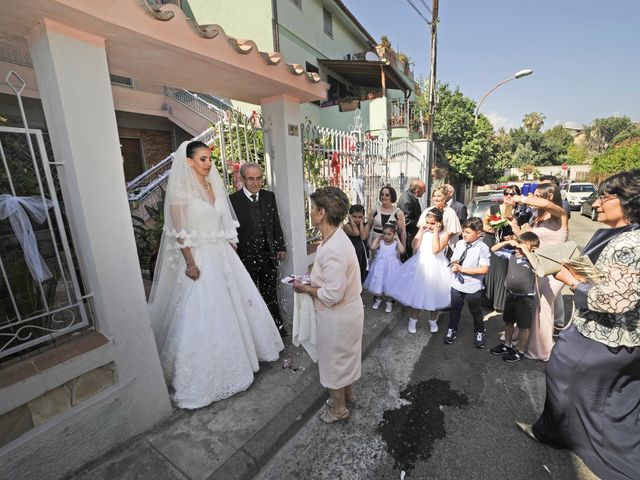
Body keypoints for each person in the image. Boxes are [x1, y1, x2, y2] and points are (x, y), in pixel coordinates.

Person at [520, 170, 640, 480]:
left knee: (572, 376)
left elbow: (616, 300)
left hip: (610, 335)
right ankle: (554, 431)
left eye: (605, 197)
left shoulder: (630, 243)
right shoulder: (618, 234)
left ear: (627, 202)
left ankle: (615, 461)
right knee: (587, 386)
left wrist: (573, 281)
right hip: (603, 331)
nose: (596, 203)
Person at [149, 141, 284, 409]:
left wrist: (230, 244)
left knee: (238, 305)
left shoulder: (213, 186)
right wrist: (189, 263)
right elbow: (180, 234)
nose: (208, 163)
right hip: (199, 258)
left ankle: (247, 356)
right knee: (205, 312)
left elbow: (225, 222)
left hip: (223, 255)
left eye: (210, 158)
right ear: (188, 162)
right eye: (202, 159)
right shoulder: (179, 193)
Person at [293, 187, 364, 424]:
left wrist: (307, 289)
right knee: (347, 357)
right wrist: (312, 279)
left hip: (338, 316)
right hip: (349, 312)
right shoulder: (337, 236)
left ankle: (339, 408)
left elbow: (333, 294)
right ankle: (349, 394)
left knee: (334, 363)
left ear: (321, 213)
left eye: (312, 208)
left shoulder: (333, 247)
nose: (310, 212)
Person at [229, 162, 288, 337]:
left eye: (259, 178)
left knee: (270, 293)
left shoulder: (269, 197)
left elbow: (275, 223)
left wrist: (280, 246)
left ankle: (277, 326)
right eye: (251, 179)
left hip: (268, 254)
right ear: (242, 179)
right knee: (249, 296)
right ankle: (256, 332)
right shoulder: (232, 200)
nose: (255, 183)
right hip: (244, 257)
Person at [514, 183, 568, 361]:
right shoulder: (538, 216)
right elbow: (525, 236)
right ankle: (526, 340)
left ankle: (542, 349)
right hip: (537, 265)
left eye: (537, 195)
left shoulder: (559, 213)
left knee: (544, 306)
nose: (533, 199)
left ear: (550, 195)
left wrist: (521, 198)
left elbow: (546, 205)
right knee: (535, 304)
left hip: (554, 267)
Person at [388, 208, 450, 334]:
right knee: (417, 293)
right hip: (420, 265)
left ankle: (433, 320)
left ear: (439, 223)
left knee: (434, 294)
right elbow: (414, 246)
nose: (430, 226)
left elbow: (435, 249)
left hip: (436, 267)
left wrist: (436, 232)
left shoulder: (445, 234)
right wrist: (421, 231)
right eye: (428, 222)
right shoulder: (425, 231)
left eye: (433, 223)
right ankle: (413, 320)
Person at [489, 232, 540, 362]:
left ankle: (520, 350)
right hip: (511, 295)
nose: (518, 250)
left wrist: (527, 252)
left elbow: (539, 268)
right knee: (508, 321)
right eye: (517, 247)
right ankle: (507, 344)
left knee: (524, 326)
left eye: (521, 248)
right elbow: (493, 249)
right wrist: (507, 243)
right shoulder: (511, 255)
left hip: (525, 298)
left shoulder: (533, 260)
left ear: (532, 249)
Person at [443, 217, 491, 347]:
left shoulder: (483, 248)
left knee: (475, 310)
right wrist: (454, 264)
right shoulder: (460, 244)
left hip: (473, 286)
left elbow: (484, 269)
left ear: (479, 233)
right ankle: (451, 329)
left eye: (468, 232)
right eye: (463, 231)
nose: (464, 234)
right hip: (457, 284)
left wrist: (463, 269)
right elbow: (454, 258)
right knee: (455, 309)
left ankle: (479, 331)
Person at [482, 185, 527, 312]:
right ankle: (487, 301)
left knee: (503, 272)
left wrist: (513, 234)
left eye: (512, 194)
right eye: (506, 193)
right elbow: (483, 225)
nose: (508, 196)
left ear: (517, 196)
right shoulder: (493, 209)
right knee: (489, 271)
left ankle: (500, 303)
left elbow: (525, 233)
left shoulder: (521, 212)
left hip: (508, 246)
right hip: (491, 241)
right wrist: (494, 228)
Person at [364, 223, 405, 313]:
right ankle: (378, 299)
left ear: (394, 234)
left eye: (389, 234)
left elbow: (402, 251)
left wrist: (398, 239)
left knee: (389, 284)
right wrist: (378, 238)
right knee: (378, 282)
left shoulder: (395, 243)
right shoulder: (381, 242)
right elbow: (372, 247)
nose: (386, 236)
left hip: (392, 267)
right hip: (380, 266)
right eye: (384, 233)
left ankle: (389, 302)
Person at [417, 185, 462, 254]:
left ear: (445, 197)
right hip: (427, 245)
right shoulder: (428, 210)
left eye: (439, 196)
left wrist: (441, 241)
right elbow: (421, 227)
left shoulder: (450, 212)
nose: (436, 199)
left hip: (444, 246)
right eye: (434, 196)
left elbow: (452, 232)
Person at [366, 185, 407, 251]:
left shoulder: (398, 213)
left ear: (392, 197)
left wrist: (403, 247)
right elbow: (368, 227)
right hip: (375, 242)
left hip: (392, 244)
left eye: (387, 195)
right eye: (382, 194)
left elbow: (402, 231)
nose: (384, 197)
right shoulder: (374, 211)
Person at [397, 179, 426, 258]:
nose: (424, 193)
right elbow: (406, 221)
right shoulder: (407, 200)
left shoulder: (410, 196)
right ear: (417, 190)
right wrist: (422, 223)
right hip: (408, 236)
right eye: (423, 191)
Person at [344, 204, 369, 283]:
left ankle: (359, 290)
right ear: (350, 216)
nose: (357, 219)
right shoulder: (347, 226)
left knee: (362, 274)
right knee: (352, 275)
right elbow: (356, 233)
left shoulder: (366, 225)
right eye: (354, 217)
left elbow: (363, 237)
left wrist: (361, 224)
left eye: (360, 217)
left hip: (363, 255)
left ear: (363, 217)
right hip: (351, 254)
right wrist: (351, 222)